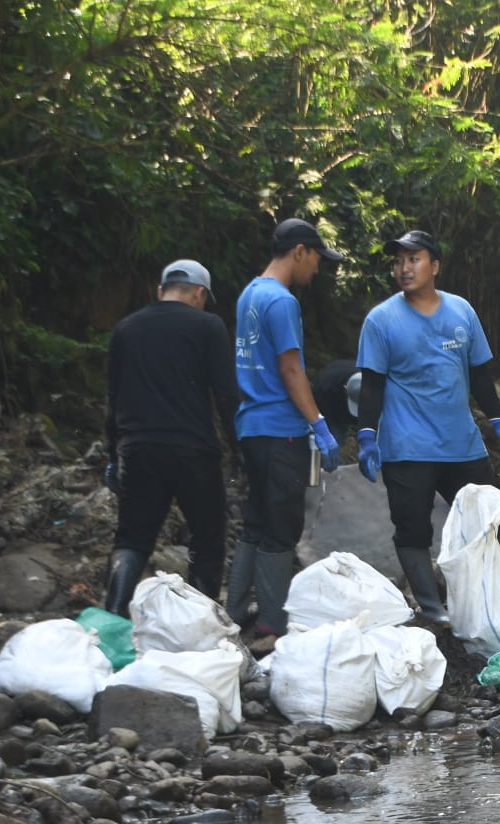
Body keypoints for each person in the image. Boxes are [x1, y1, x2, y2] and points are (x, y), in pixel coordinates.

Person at [353, 230, 500, 627]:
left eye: (414, 259)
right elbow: (372, 385)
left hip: (461, 441)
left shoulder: (461, 311)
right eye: (398, 261)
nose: (404, 268)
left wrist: (498, 420)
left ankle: (496, 594)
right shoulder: (381, 320)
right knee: (411, 526)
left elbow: (480, 373)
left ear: (435, 265)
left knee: (490, 516)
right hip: (407, 445)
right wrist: (366, 435)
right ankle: (432, 607)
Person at [102, 259, 240, 616]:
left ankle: (113, 618)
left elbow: (113, 399)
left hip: (138, 449)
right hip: (193, 449)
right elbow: (225, 394)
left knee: (132, 539)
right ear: (199, 294)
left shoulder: (126, 328)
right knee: (207, 538)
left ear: (161, 290)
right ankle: (199, 621)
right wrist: (239, 446)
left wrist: (114, 456)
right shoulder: (208, 326)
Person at [229, 218, 345, 640]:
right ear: (299, 251)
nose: (316, 269)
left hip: (251, 426)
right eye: (316, 259)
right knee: (282, 525)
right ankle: (272, 623)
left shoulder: (249, 295)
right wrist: (319, 423)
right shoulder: (281, 301)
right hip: (282, 430)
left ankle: (235, 610)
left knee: (256, 520)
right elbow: (291, 367)